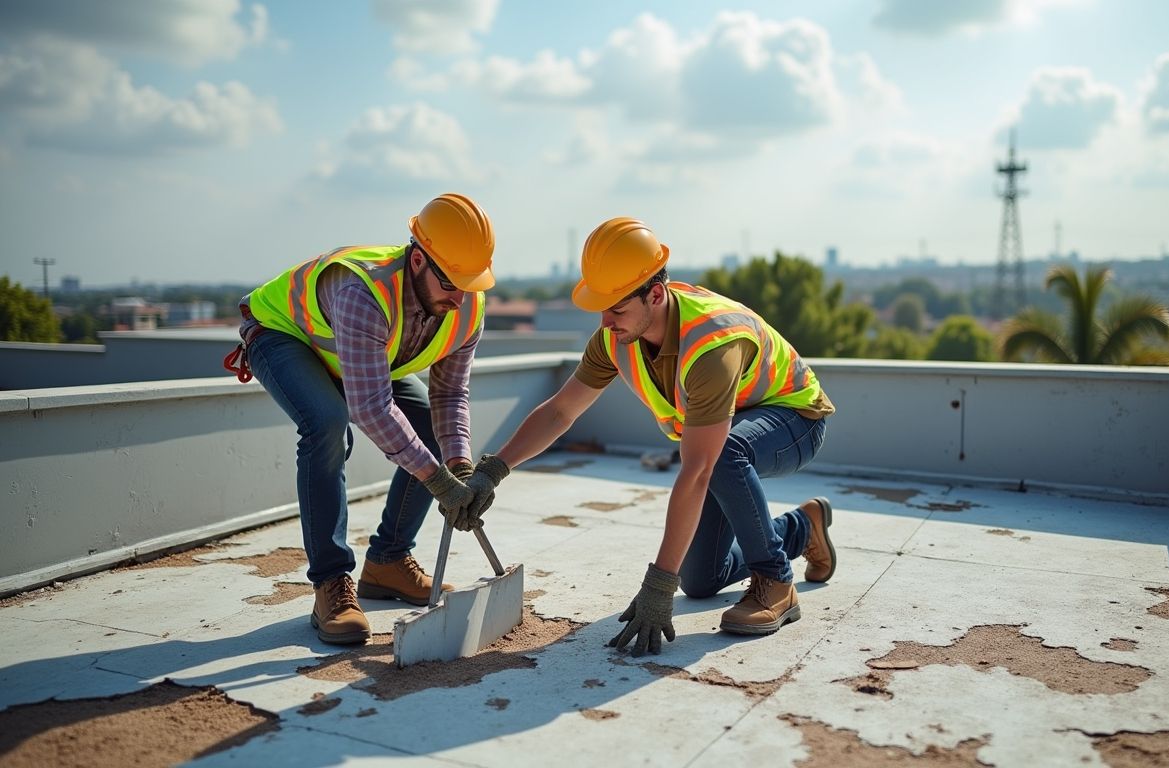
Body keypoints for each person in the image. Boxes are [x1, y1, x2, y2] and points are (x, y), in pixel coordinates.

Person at [458, 217, 836, 656]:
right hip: (726, 430)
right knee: (700, 580)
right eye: (601, 307)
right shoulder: (616, 336)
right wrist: (495, 469)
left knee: (726, 453)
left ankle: (775, 581)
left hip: (794, 419)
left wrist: (658, 582)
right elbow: (562, 410)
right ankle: (802, 528)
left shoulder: (712, 346)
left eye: (616, 308)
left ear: (654, 294)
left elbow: (698, 470)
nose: (606, 321)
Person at [224, 193, 494, 645]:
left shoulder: (466, 306)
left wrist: (461, 467)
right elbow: (369, 407)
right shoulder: (362, 291)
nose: (460, 296)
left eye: (471, 283)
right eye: (452, 283)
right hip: (284, 335)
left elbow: (450, 393)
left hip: (354, 356)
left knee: (426, 420)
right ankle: (330, 583)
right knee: (328, 425)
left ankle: (388, 563)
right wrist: (437, 480)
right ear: (419, 261)